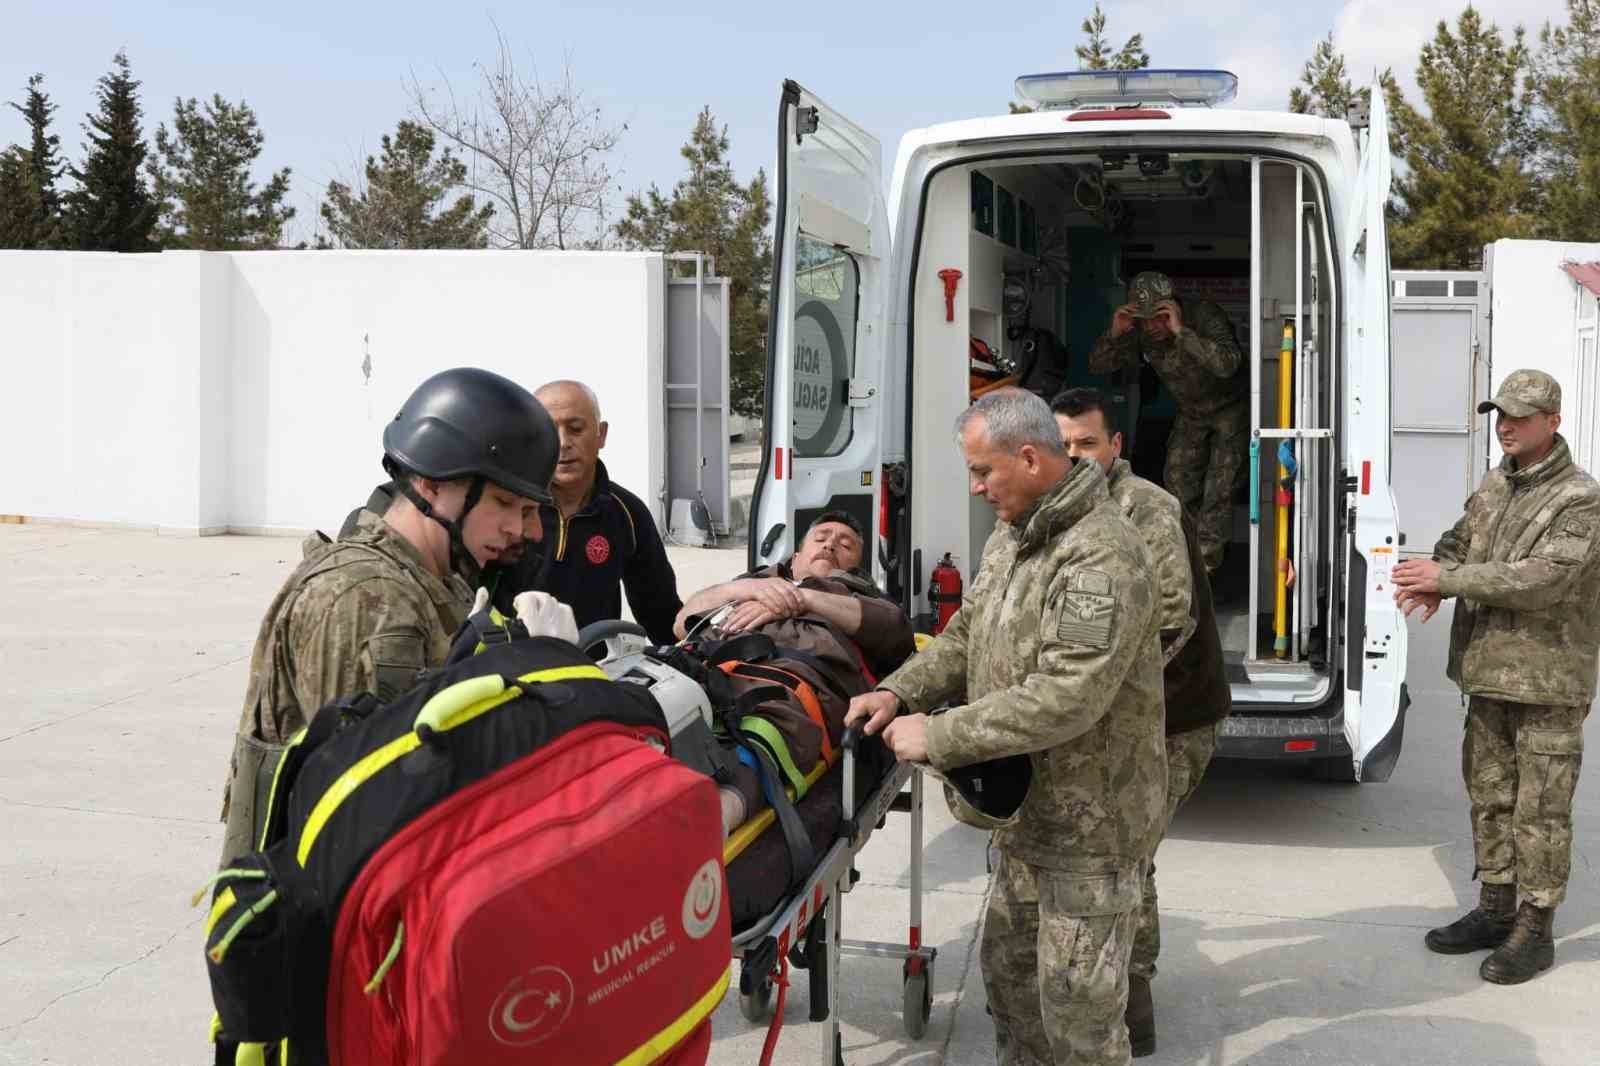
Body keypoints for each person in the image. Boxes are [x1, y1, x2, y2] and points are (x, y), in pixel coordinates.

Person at [847, 388, 1167, 1066]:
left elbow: (1068, 694)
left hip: (1090, 829)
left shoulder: (1099, 555)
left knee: (1079, 1020)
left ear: (1027, 458)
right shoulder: (1016, 532)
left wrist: (939, 736)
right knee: (1015, 990)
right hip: (1028, 818)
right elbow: (969, 633)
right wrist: (899, 691)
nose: (975, 487)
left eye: (982, 471)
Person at [219, 367, 571, 865]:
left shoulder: (436, 577)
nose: (519, 527)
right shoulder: (368, 602)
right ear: (431, 485)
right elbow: (371, 806)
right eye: (502, 503)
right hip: (326, 916)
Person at [1393, 369, 1600, 985]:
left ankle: (1535, 930)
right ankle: (1494, 908)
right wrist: (1441, 576)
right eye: (1499, 414)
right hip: (1487, 674)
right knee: (1489, 797)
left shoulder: (1580, 499)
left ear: (1553, 421)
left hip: (1546, 681)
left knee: (1540, 810)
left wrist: (1447, 580)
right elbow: (1459, 541)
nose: (1505, 425)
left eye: (1520, 416)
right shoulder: (1495, 484)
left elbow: (1545, 579)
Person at [1052, 387, 1231, 1058]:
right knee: (1117, 852)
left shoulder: (1146, 508)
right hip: (1108, 716)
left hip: (1172, 716)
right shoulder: (1063, 509)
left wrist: (1075, 693)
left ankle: (1133, 998)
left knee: (1125, 854)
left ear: (1115, 446)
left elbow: (1170, 617)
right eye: (1063, 446)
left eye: (1086, 445)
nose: (1074, 458)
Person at [339, 379, 683, 645]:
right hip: (505, 668)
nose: (563, 443)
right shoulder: (486, 513)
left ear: (601, 433)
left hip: (590, 673)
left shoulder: (627, 513)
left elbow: (661, 614)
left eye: (576, 429)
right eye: (550, 432)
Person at [676, 510, 916, 834]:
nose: (831, 544)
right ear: (797, 555)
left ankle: (709, 823)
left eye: (845, 545)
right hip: (704, 665)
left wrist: (802, 598)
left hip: (788, 684)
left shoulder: (858, 596)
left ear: (857, 568)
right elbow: (682, 623)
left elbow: (897, 633)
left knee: (766, 729)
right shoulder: (757, 581)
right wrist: (749, 589)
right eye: (821, 537)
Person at [1086, 271, 1247, 575]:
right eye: (1144, 319)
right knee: (1177, 485)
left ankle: (1205, 575)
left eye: (1157, 317)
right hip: (1192, 413)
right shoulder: (1140, 332)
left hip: (1230, 410)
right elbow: (1098, 365)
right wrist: (1115, 333)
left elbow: (1228, 364)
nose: (1151, 327)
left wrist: (1181, 331)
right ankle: (1180, 563)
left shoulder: (1203, 315)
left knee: (1219, 490)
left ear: (1172, 307)